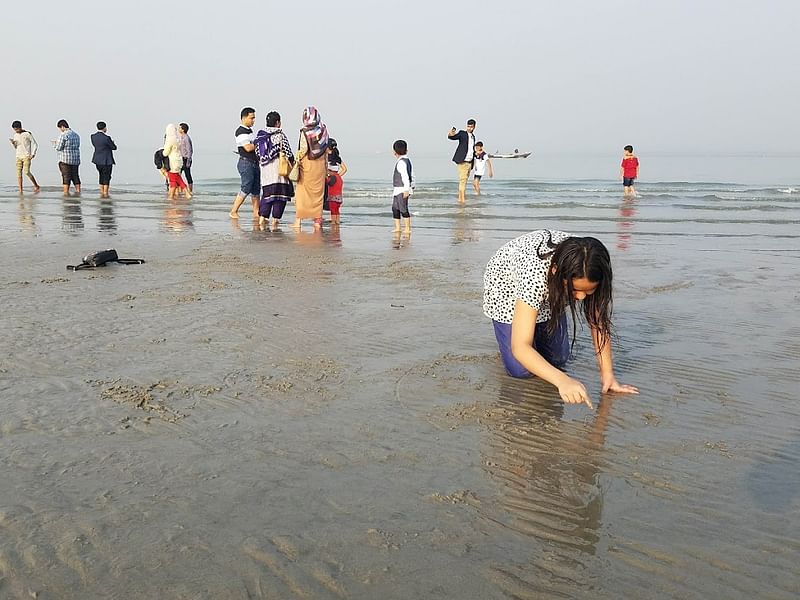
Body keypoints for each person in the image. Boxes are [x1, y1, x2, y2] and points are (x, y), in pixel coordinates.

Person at [483, 229, 639, 406]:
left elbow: (599, 324)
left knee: (558, 359)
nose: (580, 297)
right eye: (575, 291)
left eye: (588, 291)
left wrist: (608, 375)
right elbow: (520, 347)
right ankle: (514, 337)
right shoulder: (535, 278)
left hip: (550, 283)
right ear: (557, 272)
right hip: (507, 283)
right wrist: (562, 381)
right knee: (521, 370)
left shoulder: (590, 264)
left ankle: (533, 332)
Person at [254, 111, 295, 230]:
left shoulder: (260, 137)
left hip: (266, 172)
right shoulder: (280, 136)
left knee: (267, 196)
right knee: (280, 197)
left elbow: (257, 154)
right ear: (277, 123)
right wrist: (293, 164)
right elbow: (288, 153)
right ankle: (275, 222)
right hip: (279, 171)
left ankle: (262, 219)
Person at [293, 106, 329, 229]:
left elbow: (303, 149)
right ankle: (317, 222)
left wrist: (296, 159)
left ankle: (298, 221)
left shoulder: (305, 132)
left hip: (307, 165)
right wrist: (326, 169)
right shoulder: (324, 131)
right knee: (318, 195)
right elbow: (325, 152)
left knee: (302, 193)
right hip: (320, 167)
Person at [229, 107, 260, 218]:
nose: (253, 120)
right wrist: (260, 144)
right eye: (251, 118)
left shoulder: (250, 131)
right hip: (246, 163)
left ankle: (256, 213)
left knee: (256, 190)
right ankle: (234, 211)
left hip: (254, 163)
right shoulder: (241, 131)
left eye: (254, 118)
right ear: (244, 117)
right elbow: (248, 147)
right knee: (246, 187)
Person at [447, 118, 476, 203]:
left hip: (469, 162)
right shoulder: (462, 133)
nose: (469, 128)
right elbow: (452, 137)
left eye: (471, 126)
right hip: (462, 161)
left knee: (465, 181)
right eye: (468, 126)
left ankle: (460, 198)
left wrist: (473, 162)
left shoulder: (473, 137)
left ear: (474, 127)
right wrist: (451, 133)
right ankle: (462, 200)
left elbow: (471, 149)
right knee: (463, 181)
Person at [9, 121, 40, 193]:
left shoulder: (27, 134)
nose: (16, 131)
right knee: (18, 173)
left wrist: (33, 154)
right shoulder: (15, 135)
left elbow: (35, 144)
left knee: (26, 172)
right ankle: (20, 190)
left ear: (20, 127)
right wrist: (13, 143)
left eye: (17, 129)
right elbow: (16, 147)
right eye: (14, 129)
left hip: (26, 156)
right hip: (18, 156)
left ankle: (36, 185)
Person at [162, 124, 191, 199]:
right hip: (178, 161)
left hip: (172, 162)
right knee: (177, 177)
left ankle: (171, 196)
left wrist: (161, 152)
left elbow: (166, 153)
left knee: (172, 178)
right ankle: (186, 193)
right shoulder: (177, 139)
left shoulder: (170, 140)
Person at [391, 139, 413, 235]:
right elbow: (412, 175)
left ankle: (407, 228)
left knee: (403, 208)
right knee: (395, 208)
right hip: (397, 189)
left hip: (402, 189)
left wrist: (407, 189)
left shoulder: (401, 162)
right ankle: (398, 228)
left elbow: (405, 176)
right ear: (406, 150)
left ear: (394, 152)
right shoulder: (406, 161)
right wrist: (413, 185)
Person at [54, 119, 81, 196]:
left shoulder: (63, 135)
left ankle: (66, 193)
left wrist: (55, 144)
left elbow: (59, 148)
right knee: (75, 176)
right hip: (75, 159)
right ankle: (78, 191)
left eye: (59, 128)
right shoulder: (76, 135)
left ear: (62, 127)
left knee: (66, 176)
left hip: (65, 159)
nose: (60, 130)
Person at [90, 121, 117, 198]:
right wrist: (113, 143)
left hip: (97, 160)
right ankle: (105, 193)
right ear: (104, 128)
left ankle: (102, 192)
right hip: (106, 160)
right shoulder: (107, 138)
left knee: (101, 175)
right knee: (107, 176)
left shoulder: (93, 136)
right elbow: (114, 147)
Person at [178, 123, 194, 193]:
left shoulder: (186, 138)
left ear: (183, 129)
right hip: (181, 159)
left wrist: (188, 160)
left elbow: (189, 150)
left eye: (180, 128)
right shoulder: (181, 137)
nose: (179, 129)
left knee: (188, 175)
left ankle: (190, 191)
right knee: (178, 174)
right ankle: (179, 190)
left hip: (185, 159)